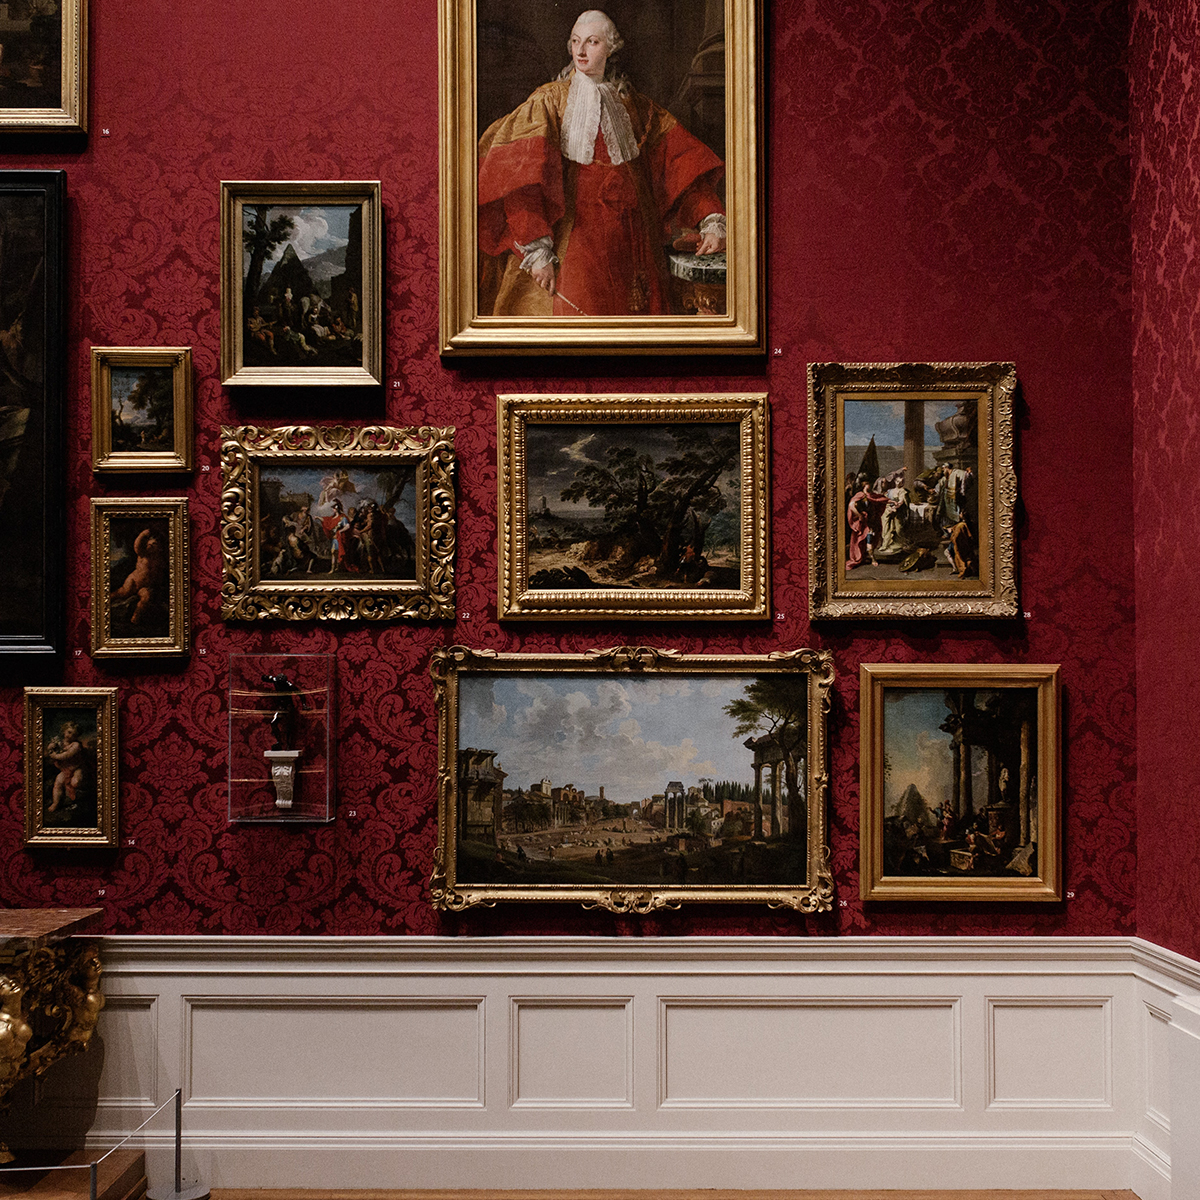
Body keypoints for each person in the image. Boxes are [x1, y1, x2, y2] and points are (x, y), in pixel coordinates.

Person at [477, 10, 727, 317]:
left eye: (592, 42)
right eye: (575, 42)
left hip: (635, 251)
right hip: (575, 251)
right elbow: (521, 179)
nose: (581, 51)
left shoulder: (636, 107)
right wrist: (537, 251)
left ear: (611, 48)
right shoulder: (549, 102)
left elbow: (681, 166)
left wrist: (711, 220)